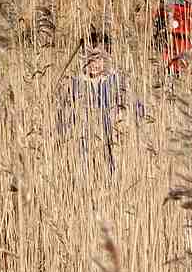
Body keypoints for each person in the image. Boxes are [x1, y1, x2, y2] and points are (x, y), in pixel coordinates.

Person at [58, 29, 143, 174]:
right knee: (84, 167)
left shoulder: (115, 80)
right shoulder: (77, 82)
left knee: (110, 167)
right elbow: (66, 111)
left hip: (110, 135)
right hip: (84, 137)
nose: (94, 64)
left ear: (106, 58)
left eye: (99, 59)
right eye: (90, 59)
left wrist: (127, 119)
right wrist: (64, 130)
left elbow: (134, 103)